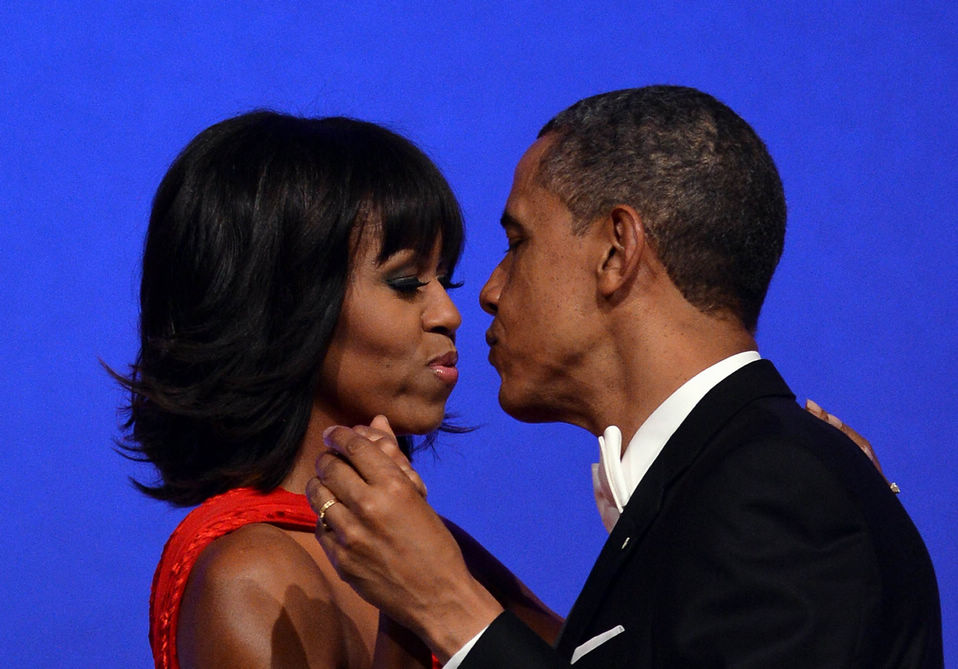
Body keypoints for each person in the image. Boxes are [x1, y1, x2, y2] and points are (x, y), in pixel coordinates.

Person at [306, 86, 944, 667]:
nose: (488, 293)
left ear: (616, 251)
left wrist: (451, 611)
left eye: (518, 242)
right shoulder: (733, 489)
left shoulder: (776, 488)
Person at [114, 111, 560, 669]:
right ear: (283, 307)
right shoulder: (249, 573)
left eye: (446, 279)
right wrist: (410, 607)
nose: (450, 313)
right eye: (406, 283)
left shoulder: (435, 547)